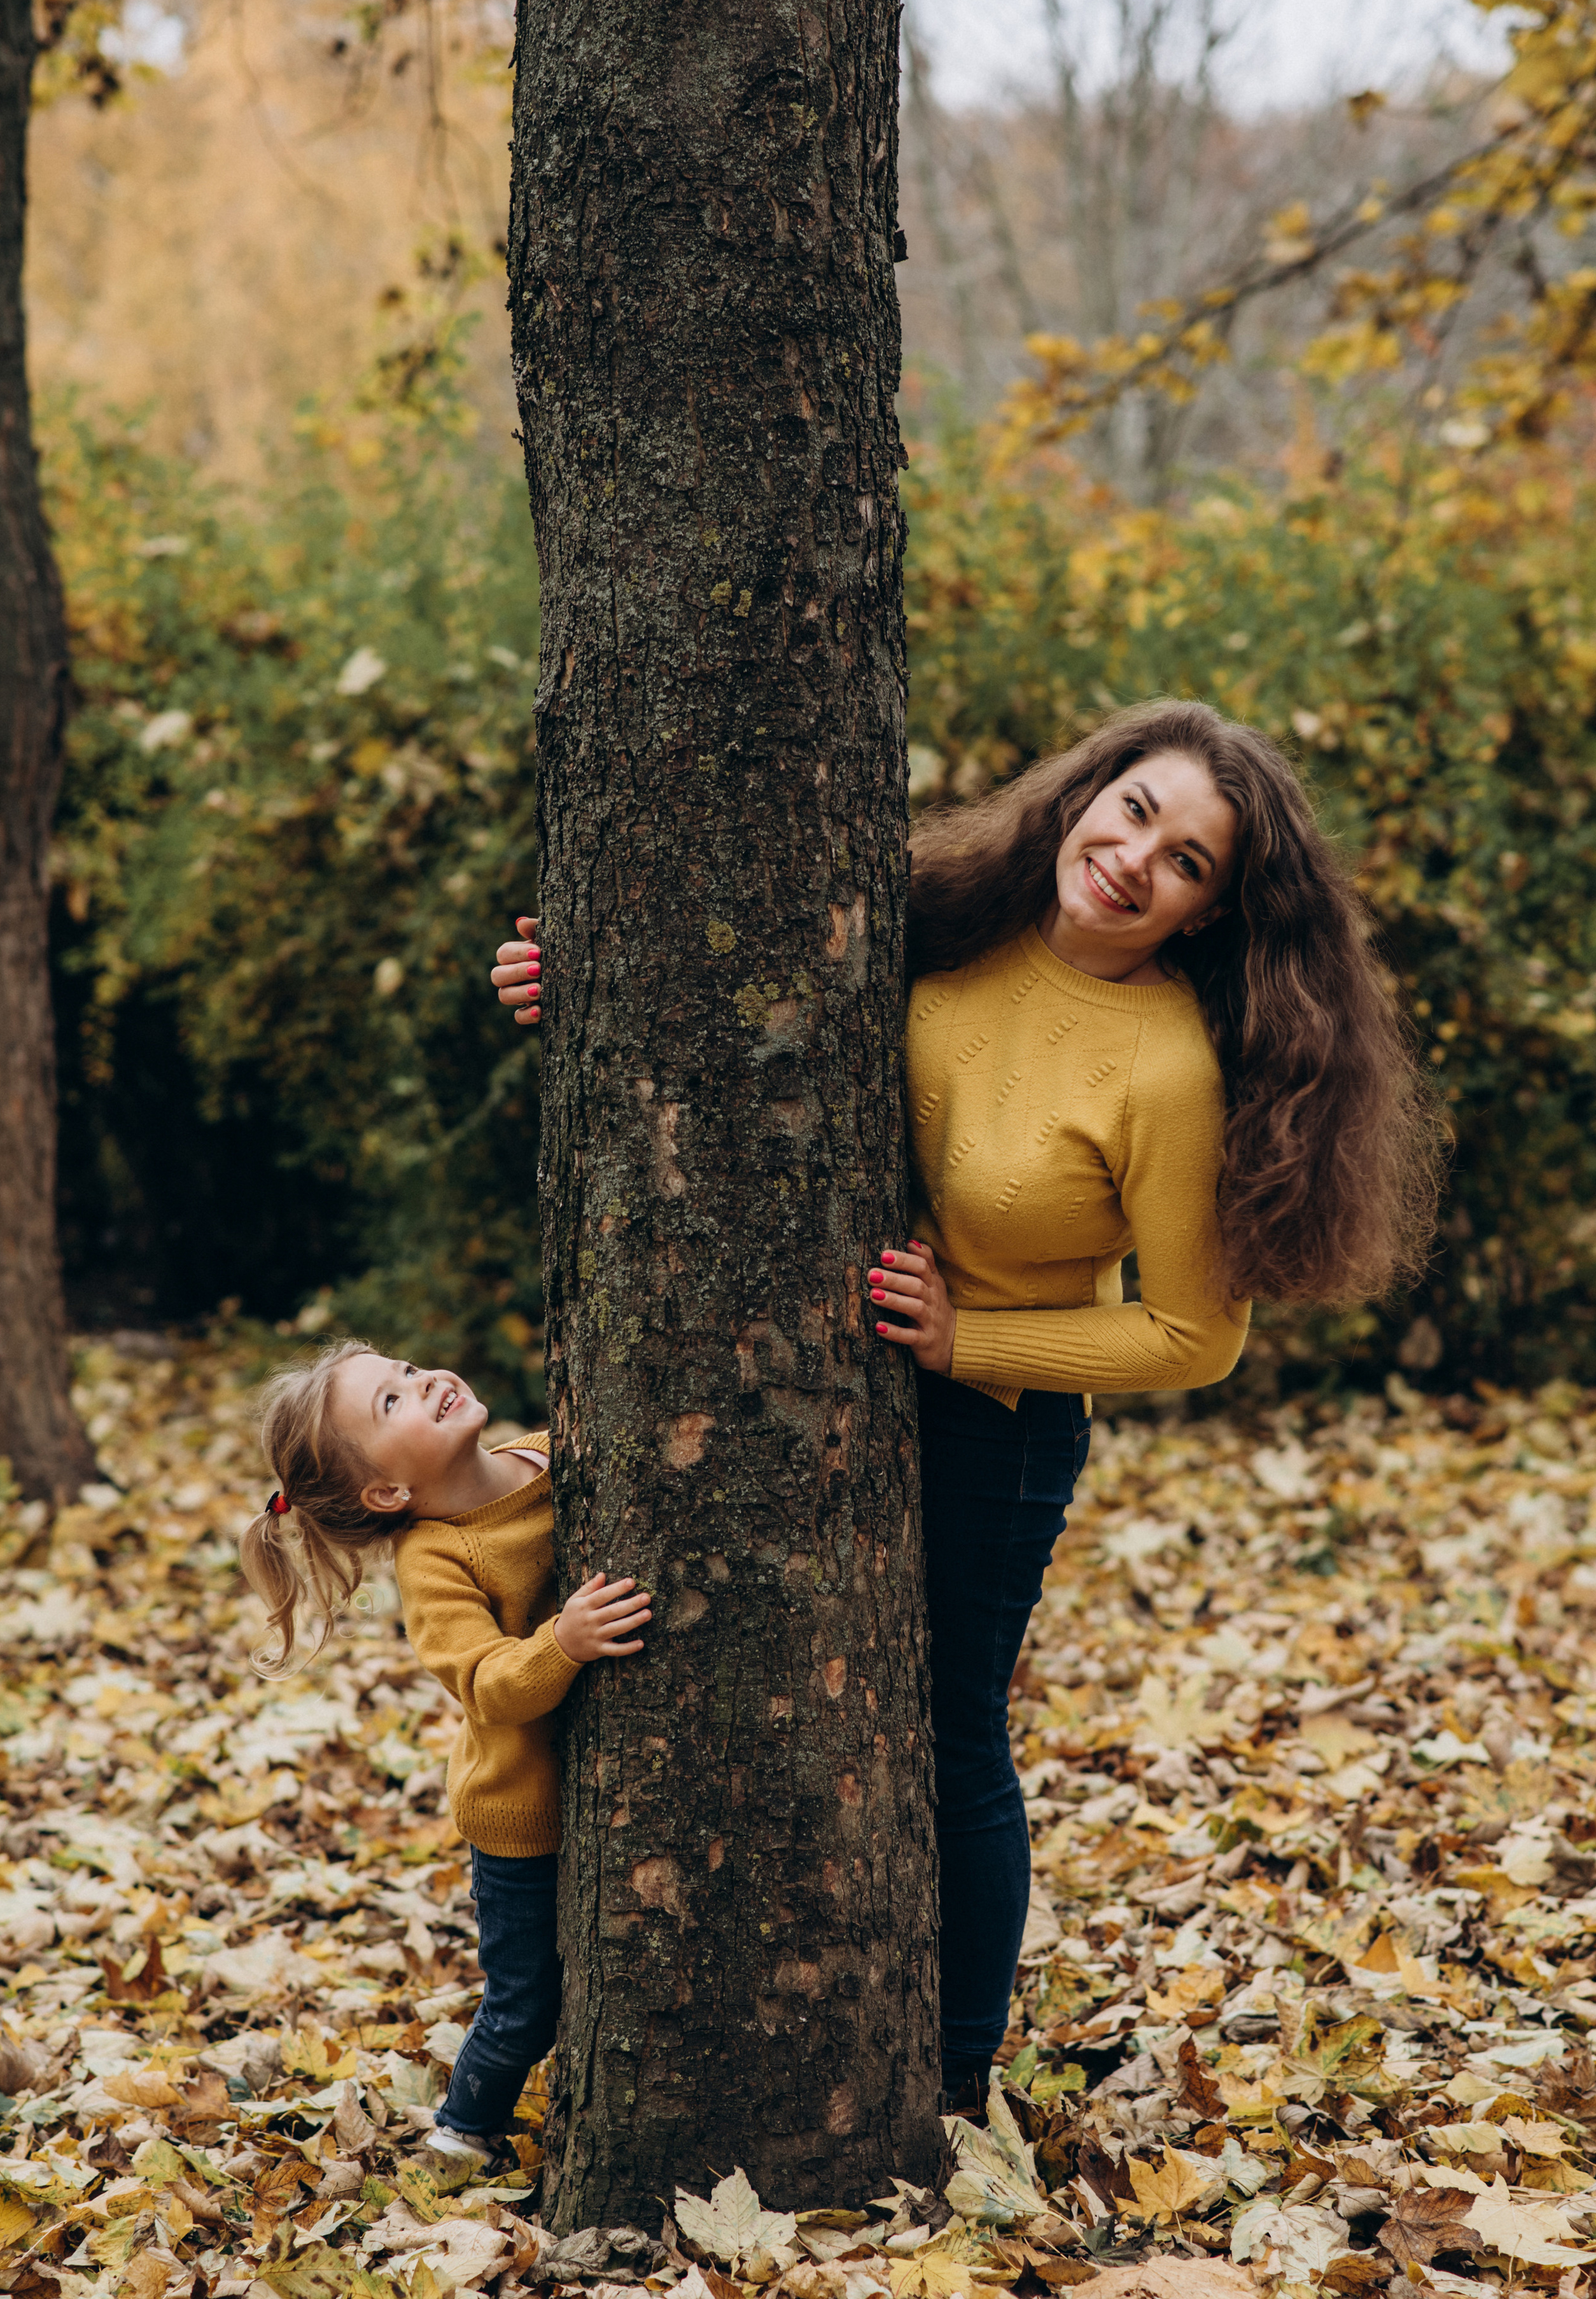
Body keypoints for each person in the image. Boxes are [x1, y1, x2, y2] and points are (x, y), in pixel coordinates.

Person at [487, 696, 1439, 2111]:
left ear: (1202, 914)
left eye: (1186, 862)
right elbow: (749, 1025)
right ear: (1080, 794)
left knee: (945, 1730)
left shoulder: (1162, 1066)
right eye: (1132, 811)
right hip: (803, 1386)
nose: (1133, 860)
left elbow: (1193, 1334)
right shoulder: (934, 909)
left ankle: (949, 2078)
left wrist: (967, 1336)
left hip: (996, 1423)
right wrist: (585, 985)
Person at [239, 1341, 651, 2163]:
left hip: (598, 1789)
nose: (423, 1381)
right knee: (527, 2002)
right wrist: (562, 1643)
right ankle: (463, 2132)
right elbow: (487, 1683)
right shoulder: (435, 1557)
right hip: (517, 1813)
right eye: (390, 1403)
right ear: (388, 1490)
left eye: (406, 1370)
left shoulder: (543, 1452)